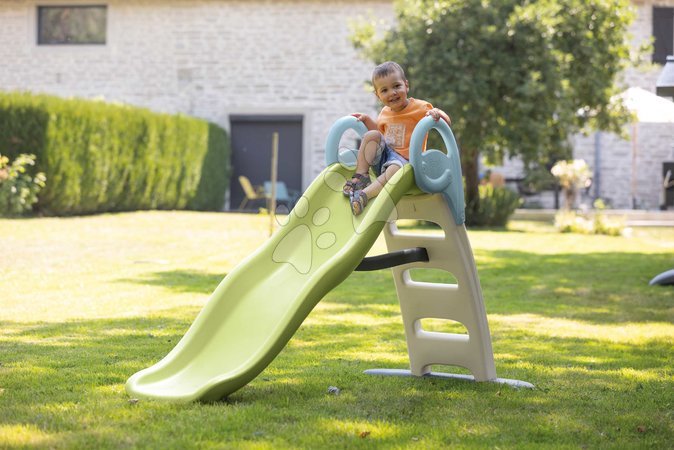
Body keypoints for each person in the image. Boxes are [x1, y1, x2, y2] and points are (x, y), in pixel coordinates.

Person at [343, 61, 451, 215]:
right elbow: (381, 137)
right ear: (378, 95)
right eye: (384, 90)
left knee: (394, 167)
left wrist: (438, 113)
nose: (392, 93)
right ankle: (361, 176)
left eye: (396, 86)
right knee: (370, 135)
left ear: (406, 85)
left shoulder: (420, 108)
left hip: (407, 163)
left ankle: (365, 195)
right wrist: (367, 120)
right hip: (385, 158)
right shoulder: (385, 112)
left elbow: (446, 123)